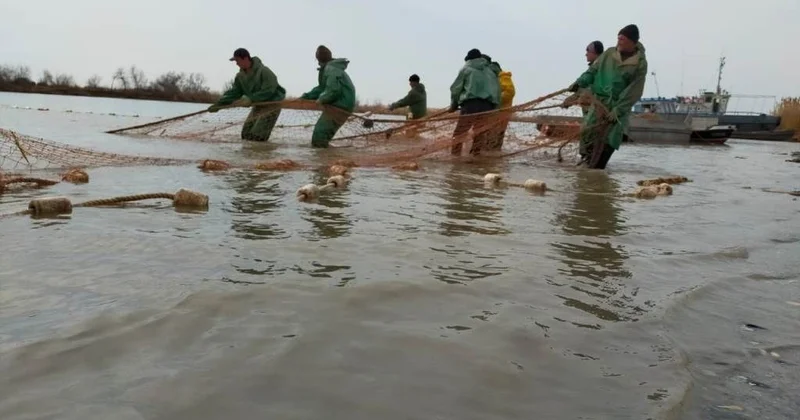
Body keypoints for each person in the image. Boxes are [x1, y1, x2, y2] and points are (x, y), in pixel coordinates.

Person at [568, 25, 647, 169]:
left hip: (618, 107)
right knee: (587, 131)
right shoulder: (609, 53)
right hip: (599, 103)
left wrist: (618, 109)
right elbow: (592, 71)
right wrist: (579, 82)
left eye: (622, 39)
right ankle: (587, 166)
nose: (619, 42)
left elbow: (635, 90)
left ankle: (598, 170)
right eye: (618, 38)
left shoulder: (639, 63)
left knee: (610, 140)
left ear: (632, 41)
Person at [207, 48, 286, 142]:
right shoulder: (240, 76)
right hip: (258, 106)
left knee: (257, 135)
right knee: (245, 134)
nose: (236, 63)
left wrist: (250, 98)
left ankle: (259, 155)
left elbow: (269, 90)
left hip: (272, 105)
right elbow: (234, 92)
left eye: (237, 60)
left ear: (245, 58)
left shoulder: (265, 71)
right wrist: (219, 104)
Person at [300, 45, 357, 148]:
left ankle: (324, 161)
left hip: (341, 106)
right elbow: (322, 89)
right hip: (339, 104)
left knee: (319, 136)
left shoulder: (331, 69)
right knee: (321, 135)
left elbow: (333, 90)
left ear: (318, 58)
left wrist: (321, 99)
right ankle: (327, 159)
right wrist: (307, 96)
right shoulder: (329, 68)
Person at [449, 48, 501, 156]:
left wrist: (453, 105)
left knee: (460, 132)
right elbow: (497, 91)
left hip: (471, 104)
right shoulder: (490, 71)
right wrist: (495, 107)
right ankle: (475, 156)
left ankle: (455, 157)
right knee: (479, 131)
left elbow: (456, 89)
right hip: (488, 105)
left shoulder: (466, 68)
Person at [480, 54, 515, 151]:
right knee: (486, 140)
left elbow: (509, 92)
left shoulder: (503, 76)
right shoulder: (488, 77)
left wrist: (494, 101)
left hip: (500, 113)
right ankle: (490, 161)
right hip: (490, 114)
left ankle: (491, 159)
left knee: (495, 140)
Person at [562, 41, 604, 115]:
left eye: (588, 51)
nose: (586, 54)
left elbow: (588, 87)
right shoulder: (599, 66)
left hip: (597, 111)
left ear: (595, 52)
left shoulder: (600, 68)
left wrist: (576, 86)